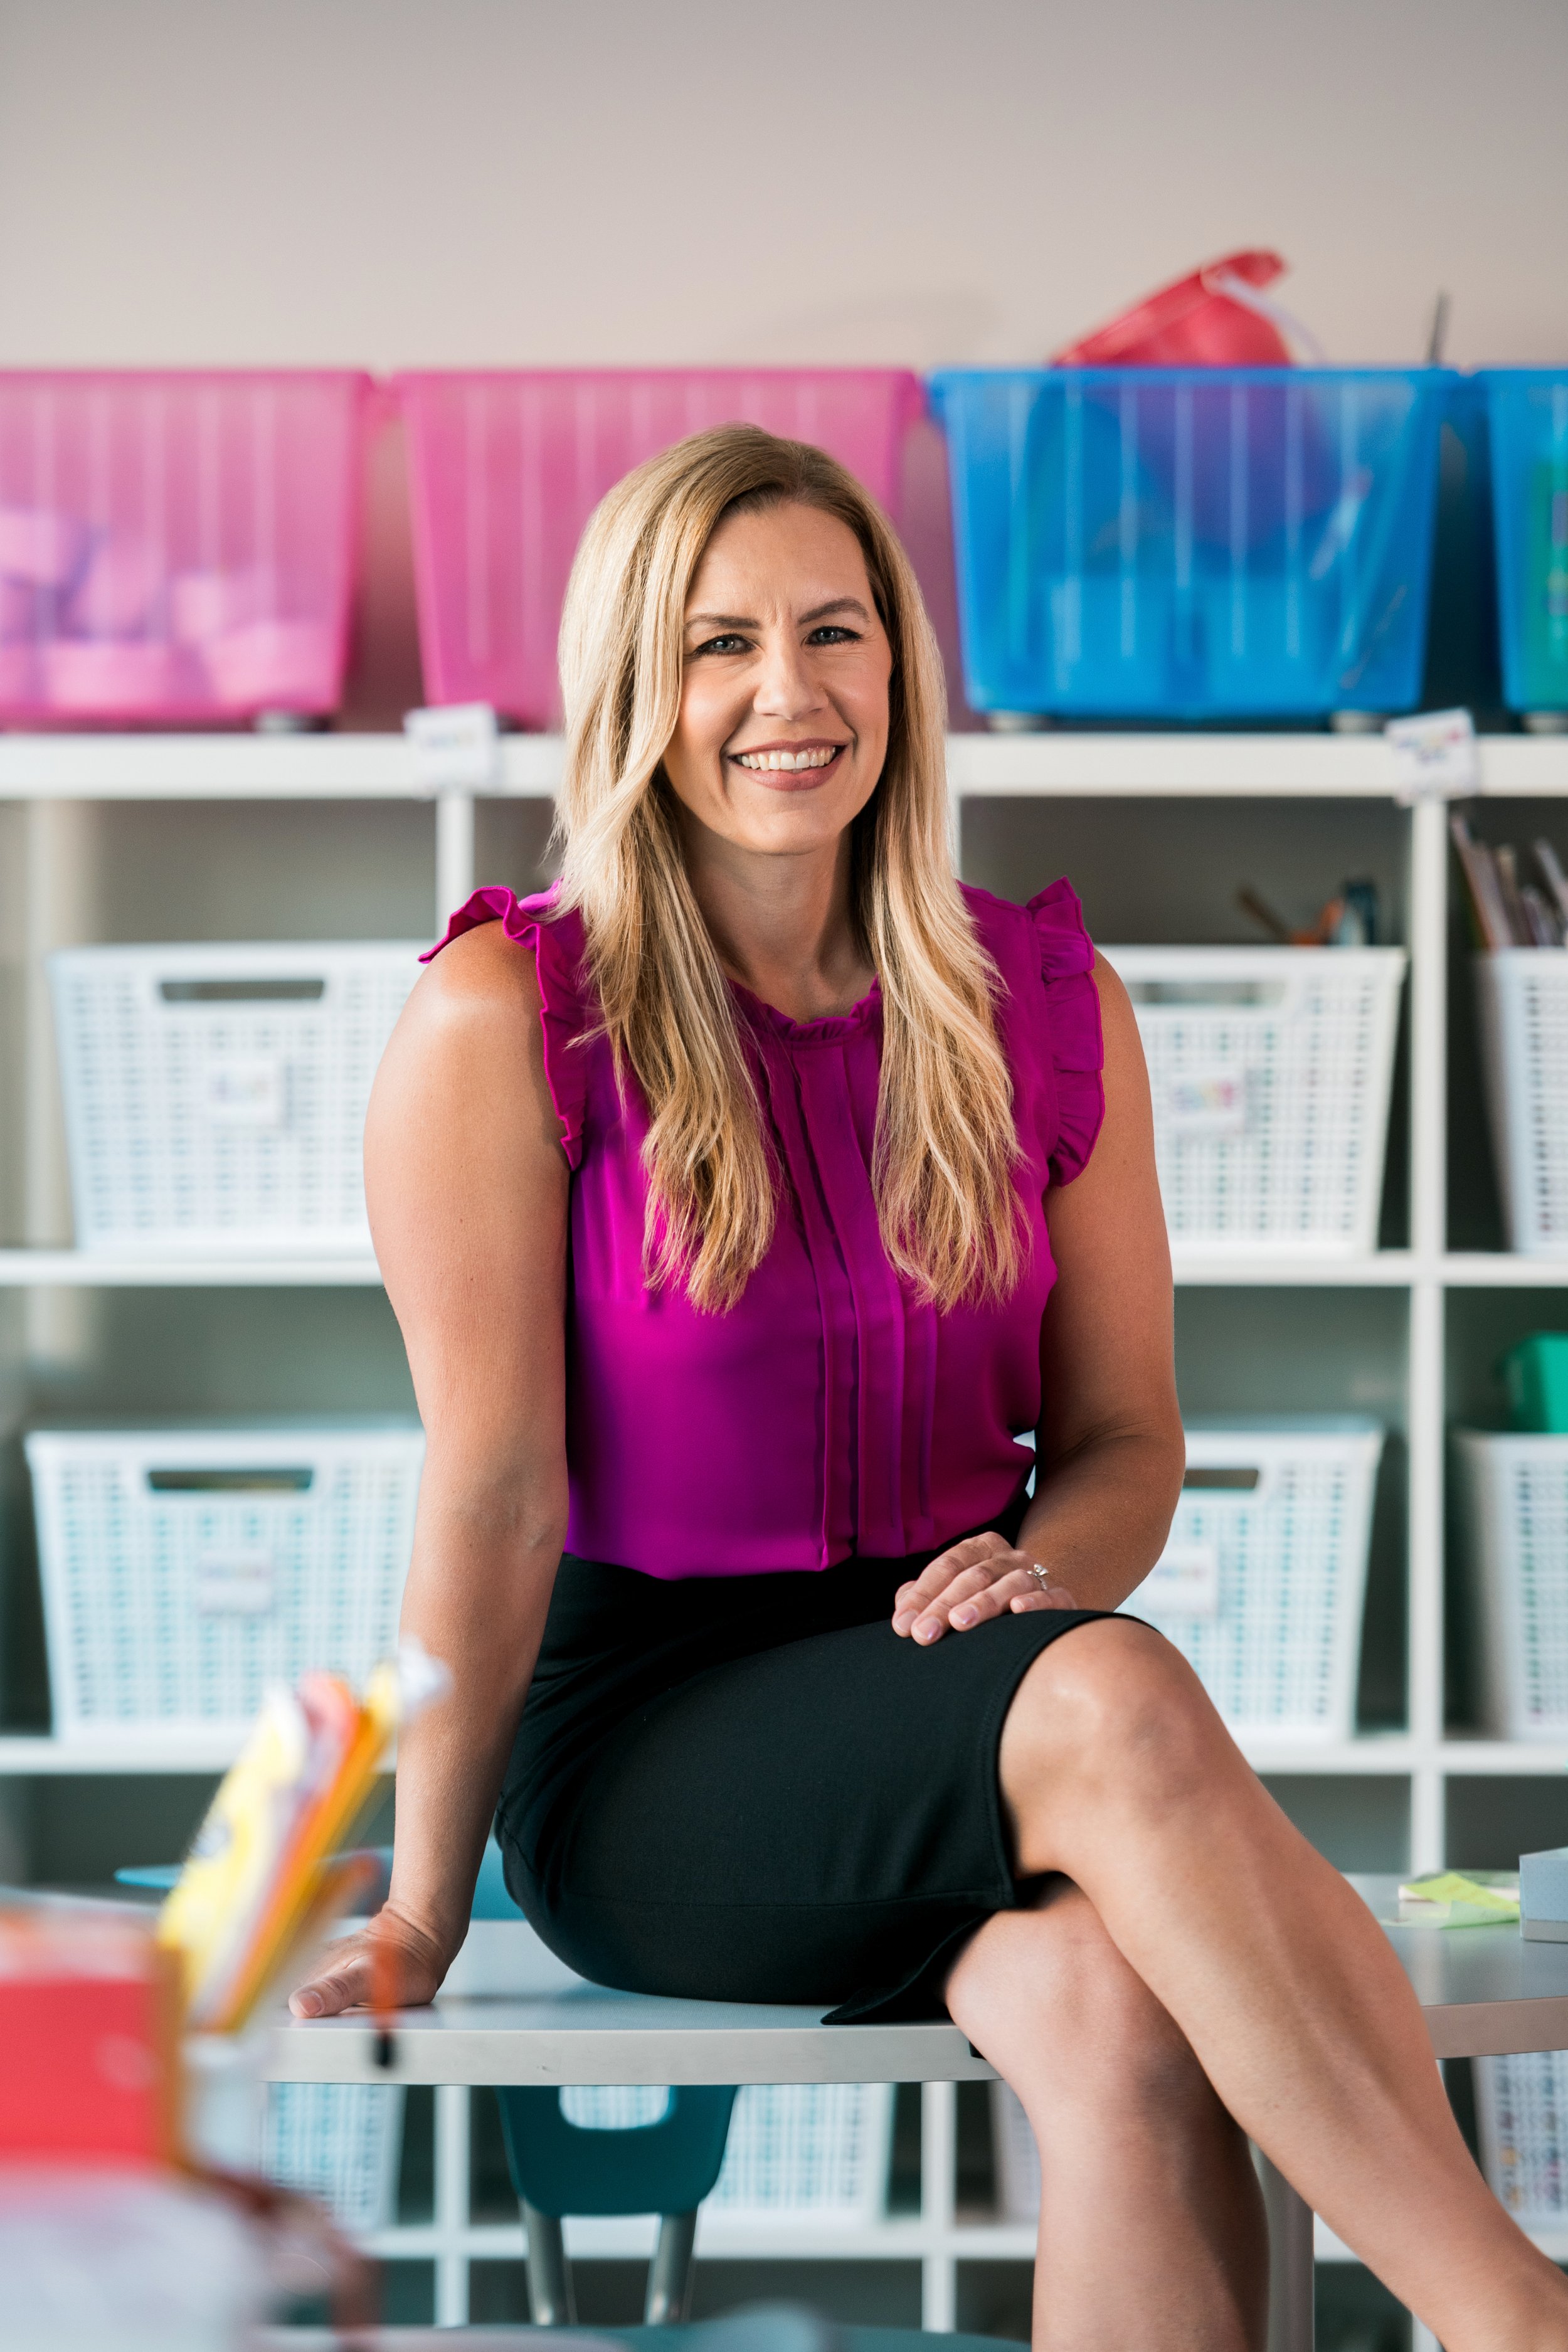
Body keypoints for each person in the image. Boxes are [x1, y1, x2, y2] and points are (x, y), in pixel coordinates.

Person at [293, 425, 1568, 2351]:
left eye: (834, 631)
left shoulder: (1042, 1006)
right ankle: (1513, 2321)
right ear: (636, 687)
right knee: (1120, 1697)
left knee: (1118, 2022)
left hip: (954, 1680)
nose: (787, 695)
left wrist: (1042, 1574)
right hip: (647, 1750)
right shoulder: (509, 1018)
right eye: (718, 644)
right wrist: (426, 1911)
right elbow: (491, 1498)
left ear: (901, 662)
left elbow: (1127, 1441)